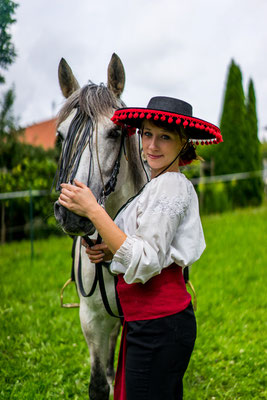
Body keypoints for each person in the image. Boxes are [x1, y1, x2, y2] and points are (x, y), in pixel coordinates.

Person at [58, 96, 222, 400]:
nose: (152, 146)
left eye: (165, 137)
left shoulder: (170, 186)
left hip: (159, 326)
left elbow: (145, 261)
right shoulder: (158, 183)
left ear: (183, 142)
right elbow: (149, 246)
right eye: (147, 134)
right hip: (150, 324)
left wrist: (95, 211)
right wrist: (111, 251)